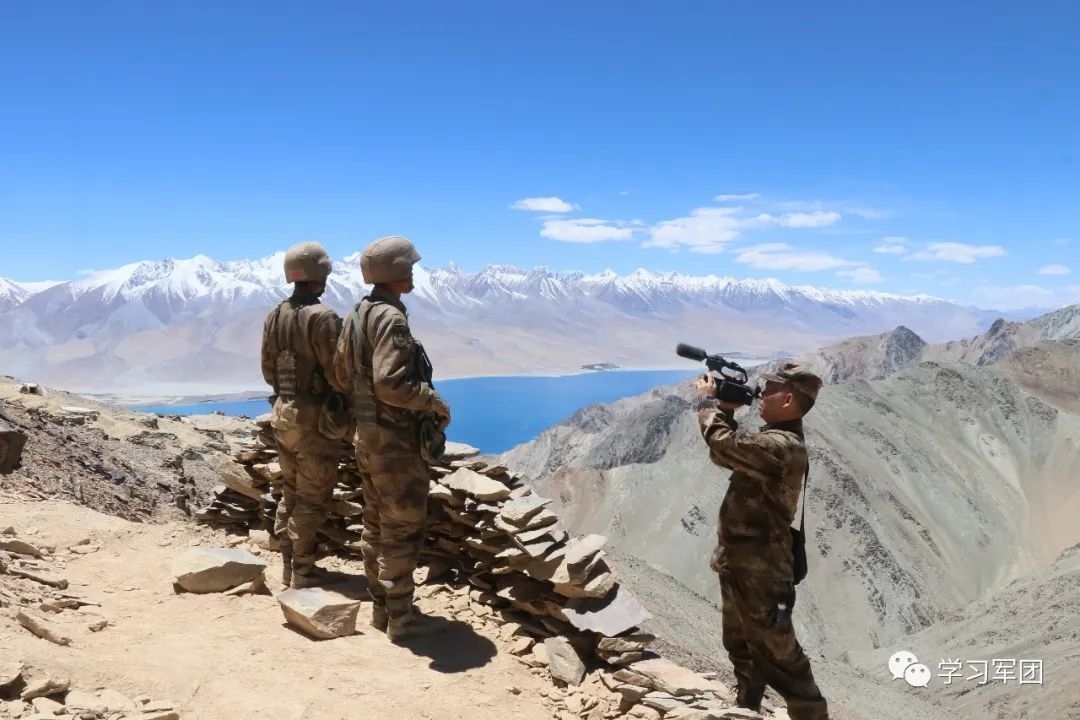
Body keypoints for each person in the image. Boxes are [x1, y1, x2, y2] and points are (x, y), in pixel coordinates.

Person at [331, 235, 451, 641]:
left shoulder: (357, 314)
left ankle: (381, 610)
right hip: (396, 443)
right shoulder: (391, 319)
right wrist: (433, 401)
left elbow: (340, 375)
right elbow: (390, 383)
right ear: (395, 271)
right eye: (408, 267)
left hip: (367, 439)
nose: (413, 272)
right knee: (402, 527)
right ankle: (401, 618)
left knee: (375, 524)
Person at [695, 362, 829, 720]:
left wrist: (708, 404)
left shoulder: (784, 447)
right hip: (738, 563)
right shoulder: (771, 441)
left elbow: (723, 443)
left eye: (769, 389)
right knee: (741, 645)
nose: (760, 393)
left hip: (763, 574)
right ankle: (746, 708)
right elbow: (725, 454)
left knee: (782, 656)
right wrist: (725, 411)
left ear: (787, 400)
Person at [261, 241, 345, 589]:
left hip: (283, 414)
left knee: (291, 491)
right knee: (312, 496)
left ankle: (288, 566)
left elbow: (268, 370)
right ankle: (304, 571)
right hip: (313, 420)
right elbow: (338, 373)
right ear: (319, 274)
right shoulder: (322, 317)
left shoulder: (274, 315)